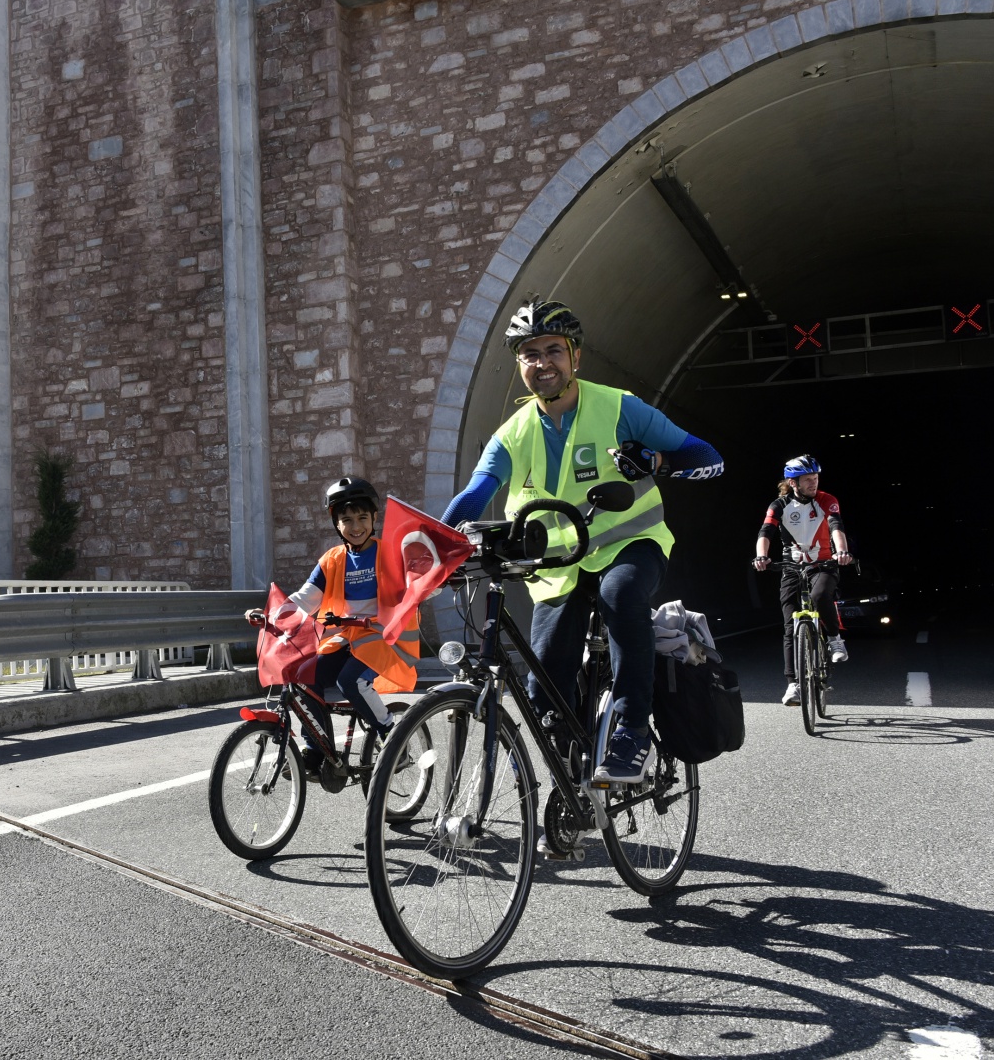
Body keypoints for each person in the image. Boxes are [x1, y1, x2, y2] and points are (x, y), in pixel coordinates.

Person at [441, 300, 723, 784]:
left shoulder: (619, 407)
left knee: (620, 596)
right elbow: (475, 495)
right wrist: (437, 548)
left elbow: (708, 457)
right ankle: (568, 784)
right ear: (520, 365)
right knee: (543, 683)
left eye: (554, 350)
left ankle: (632, 729)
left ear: (576, 358)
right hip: (558, 567)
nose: (542, 362)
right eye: (530, 353)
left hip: (631, 545)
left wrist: (656, 463)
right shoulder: (512, 433)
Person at [250, 477, 419, 773]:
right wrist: (272, 615)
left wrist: (429, 585)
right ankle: (317, 750)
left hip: (383, 636)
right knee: (302, 676)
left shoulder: (390, 553)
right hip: (344, 638)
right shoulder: (331, 560)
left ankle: (394, 739)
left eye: (362, 518)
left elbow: (419, 583)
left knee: (350, 681)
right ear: (336, 524)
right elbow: (305, 599)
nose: (355, 527)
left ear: (375, 518)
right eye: (347, 520)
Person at [752, 455, 853, 706]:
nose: (813, 483)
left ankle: (834, 640)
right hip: (792, 566)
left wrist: (841, 551)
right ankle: (793, 685)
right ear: (792, 482)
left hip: (824, 563)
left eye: (816, 478)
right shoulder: (779, 505)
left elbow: (836, 526)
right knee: (789, 625)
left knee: (820, 596)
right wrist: (761, 556)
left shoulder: (826, 501)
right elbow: (766, 532)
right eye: (807, 479)